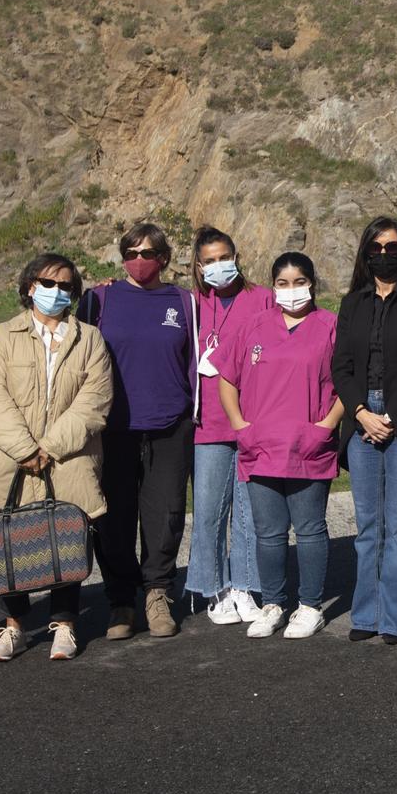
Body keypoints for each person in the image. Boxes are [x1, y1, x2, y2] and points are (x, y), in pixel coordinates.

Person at [0, 253, 113, 662]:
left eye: (66, 285)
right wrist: (26, 449)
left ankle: (64, 624)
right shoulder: (1, 336)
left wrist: (49, 447)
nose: (56, 292)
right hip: (9, 459)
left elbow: (95, 400)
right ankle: (13, 626)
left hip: (67, 457)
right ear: (29, 286)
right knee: (9, 539)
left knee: (65, 534)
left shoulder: (90, 340)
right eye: (47, 283)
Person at [80, 221, 201, 641]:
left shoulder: (185, 302)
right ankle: (120, 600)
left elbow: (197, 357)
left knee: (165, 516)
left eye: (146, 253)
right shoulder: (99, 299)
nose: (137, 261)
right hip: (113, 429)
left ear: (163, 259)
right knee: (112, 519)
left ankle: (157, 593)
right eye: (129, 253)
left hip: (169, 425)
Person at [216, 252, 343, 640]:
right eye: (283, 283)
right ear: (273, 286)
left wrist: (326, 426)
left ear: (312, 283)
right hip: (261, 445)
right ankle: (272, 604)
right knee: (267, 533)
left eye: (299, 282)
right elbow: (226, 379)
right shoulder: (254, 326)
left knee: (308, 530)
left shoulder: (330, 326)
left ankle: (309, 606)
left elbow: (346, 383)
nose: (291, 291)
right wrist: (240, 425)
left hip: (308, 446)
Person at [331, 217, 397, 646]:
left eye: (393, 247)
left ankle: (395, 619)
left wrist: (390, 417)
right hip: (361, 421)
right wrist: (360, 413)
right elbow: (341, 366)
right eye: (376, 247)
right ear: (365, 253)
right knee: (369, 524)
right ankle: (366, 613)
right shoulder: (352, 304)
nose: (385, 255)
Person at [187, 226, 273, 626]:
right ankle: (213, 589)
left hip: (252, 419)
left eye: (225, 257)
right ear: (198, 265)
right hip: (209, 423)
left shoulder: (263, 299)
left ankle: (244, 585)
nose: (219, 266)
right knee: (207, 511)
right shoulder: (192, 302)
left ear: (236, 257)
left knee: (249, 513)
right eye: (210, 260)